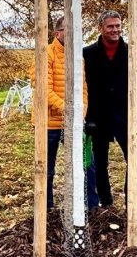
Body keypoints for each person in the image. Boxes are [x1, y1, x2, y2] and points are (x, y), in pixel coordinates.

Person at [32, 16, 99, 210]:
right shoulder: (46, 54)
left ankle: (91, 207)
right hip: (49, 123)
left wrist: (82, 109)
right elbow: (44, 90)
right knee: (47, 169)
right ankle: (47, 208)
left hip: (74, 122)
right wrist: (68, 109)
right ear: (57, 33)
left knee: (86, 164)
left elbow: (83, 86)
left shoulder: (77, 57)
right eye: (68, 31)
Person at [83, 10, 137, 207]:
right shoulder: (88, 54)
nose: (115, 30)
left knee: (136, 160)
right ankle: (106, 202)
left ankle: (131, 202)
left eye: (118, 26)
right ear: (100, 28)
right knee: (99, 163)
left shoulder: (131, 52)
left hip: (125, 116)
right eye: (111, 26)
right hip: (97, 118)